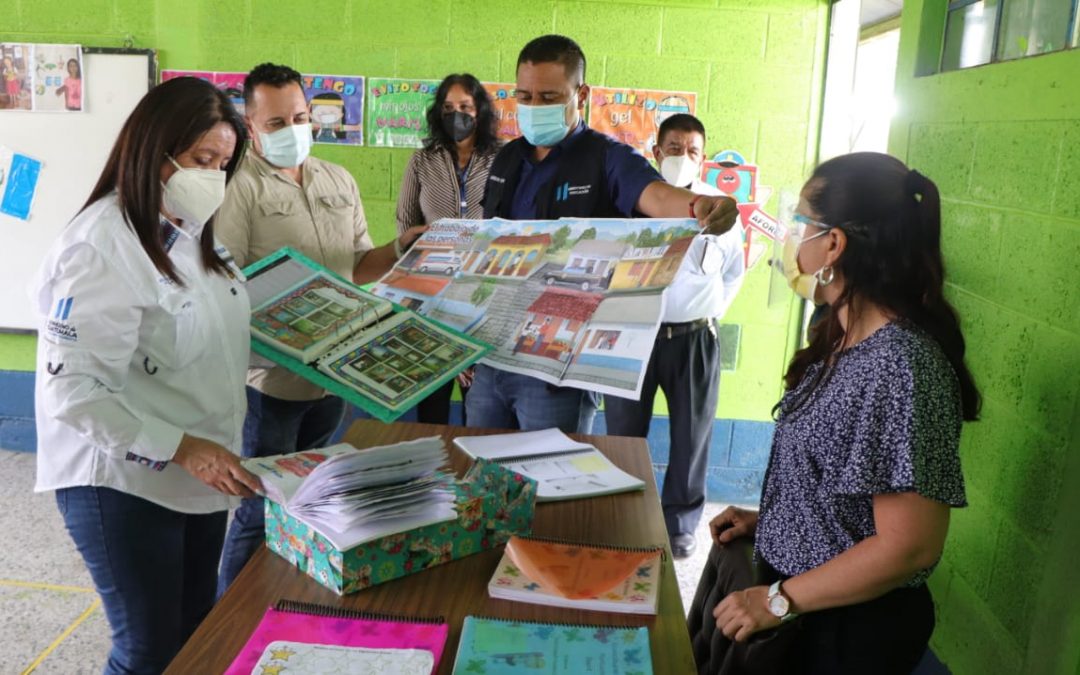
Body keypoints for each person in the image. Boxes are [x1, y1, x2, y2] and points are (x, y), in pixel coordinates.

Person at [687, 152, 980, 674]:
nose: (791, 236)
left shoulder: (900, 365)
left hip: (845, 632)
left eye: (800, 221)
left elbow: (910, 548)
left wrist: (778, 600)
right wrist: (777, 520)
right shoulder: (840, 336)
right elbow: (845, 484)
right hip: (806, 605)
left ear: (834, 244)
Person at [33, 76, 262, 674]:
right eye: (201, 160)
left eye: (223, 164)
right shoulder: (100, 246)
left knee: (194, 638)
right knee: (148, 650)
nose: (213, 177)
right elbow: (74, 394)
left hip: (198, 475)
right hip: (123, 481)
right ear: (153, 151)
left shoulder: (188, 234)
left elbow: (212, 333)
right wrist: (184, 449)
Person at [214, 62, 425, 595]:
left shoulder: (338, 179)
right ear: (250, 124)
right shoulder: (237, 188)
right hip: (270, 385)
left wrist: (403, 247)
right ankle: (227, 614)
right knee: (259, 508)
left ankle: (283, 596)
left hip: (334, 377)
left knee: (311, 502)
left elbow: (358, 265)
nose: (292, 130)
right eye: (276, 122)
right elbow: (225, 284)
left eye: (299, 117)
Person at [467, 34, 739, 435]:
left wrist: (698, 205)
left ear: (581, 95)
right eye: (524, 96)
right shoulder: (507, 158)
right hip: (493, 358)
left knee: (550, 470)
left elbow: (656, 195)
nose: (533, 107)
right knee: (482, 464)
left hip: (558, 367)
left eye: (548, 97)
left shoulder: (608, 158)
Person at [604, 113, 746, 559]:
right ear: (656, 151)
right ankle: (622, 517)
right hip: (632, 334)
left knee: (692, 435)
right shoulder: (630, 203)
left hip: (694, 340)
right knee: (624, 434)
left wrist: (707, 316)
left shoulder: (720, 211)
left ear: (703, 159)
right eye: (674, 148)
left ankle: (680, 526)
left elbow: (732, 274)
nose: (683, 156)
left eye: (692, 151)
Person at [396, 72, 499, 425]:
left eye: (466, 107)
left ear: (480, 110)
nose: (458, 115)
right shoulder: (422, 161)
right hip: (432, 297)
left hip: (483, 297)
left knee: (479, 406)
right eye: (449, 107)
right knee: (432, 404)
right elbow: (405, 226)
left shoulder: (503, 159)